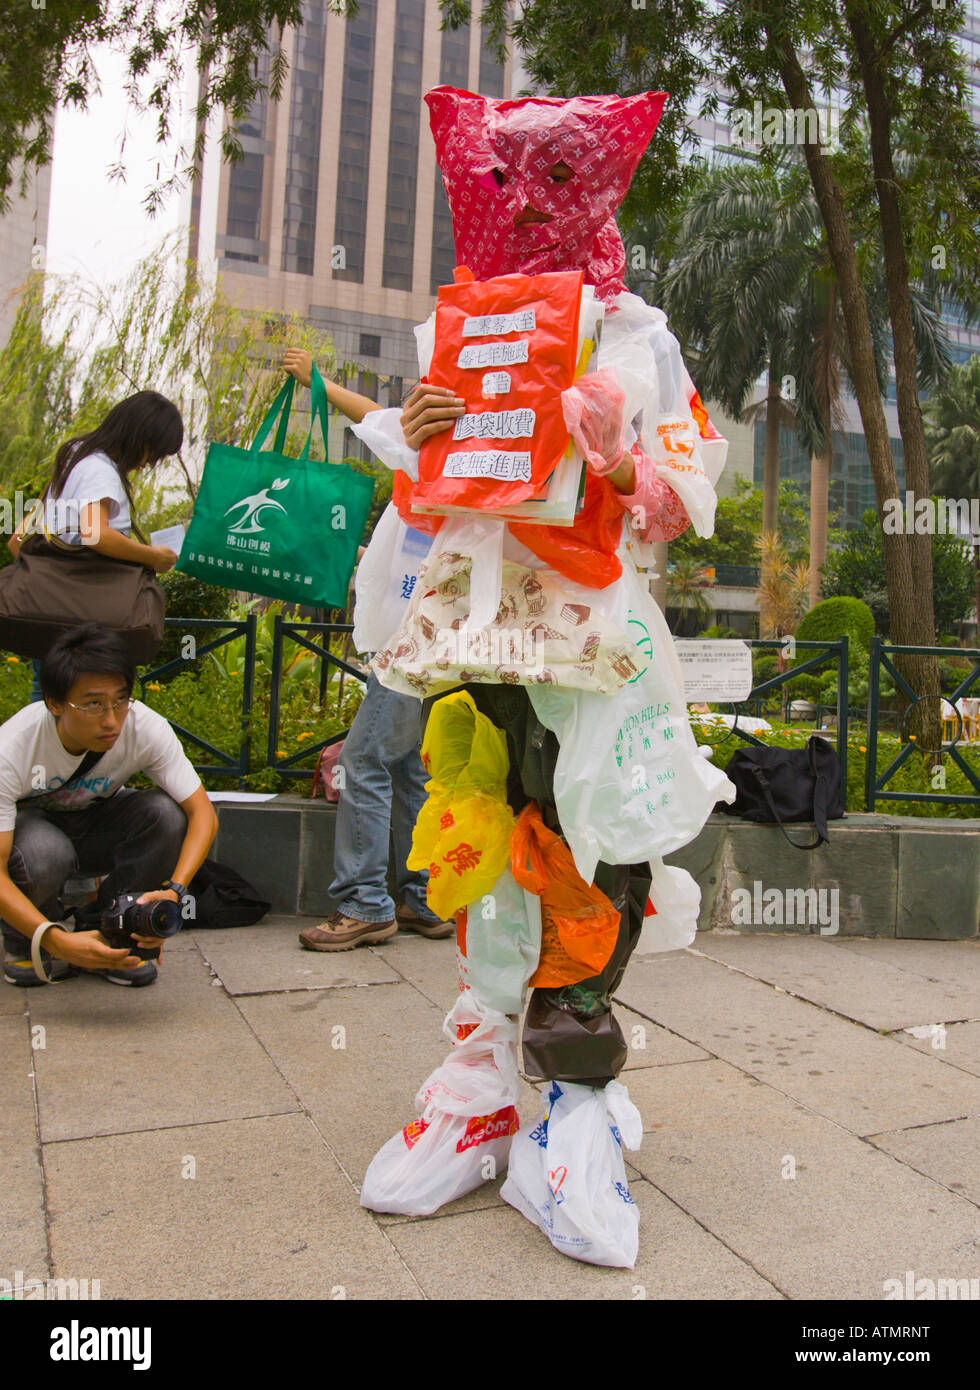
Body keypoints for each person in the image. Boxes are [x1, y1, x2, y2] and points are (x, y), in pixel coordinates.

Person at [353, 86, 736, 1264]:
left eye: (548, 175)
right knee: (481, 824)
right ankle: (481, 1072)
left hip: (594, 643)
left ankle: (571, 1085)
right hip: (473, 635)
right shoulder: (450, 325)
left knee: (594, 836)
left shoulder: (637, 334)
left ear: (591, 181)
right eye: (502, 175)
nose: (522, 197)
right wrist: (417, 436)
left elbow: (678, 498)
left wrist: (615, 450)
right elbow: (434, 493)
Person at [281, 349, 454, 949]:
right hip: (440, 638)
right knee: (410, 767)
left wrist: (317, 382)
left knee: (365, 760)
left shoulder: (429, 451)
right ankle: (423, 898)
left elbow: (373, 416)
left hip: (411, 639)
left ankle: (365, 903)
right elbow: (373, 414)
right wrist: (318, 382)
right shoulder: (480, 459)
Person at [0, 623, 218, 988]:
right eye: (93, 704)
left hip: (98, 825)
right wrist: (55, 940)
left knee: (165, 815)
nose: (111, 719)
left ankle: (113, 932)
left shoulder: (145, 728)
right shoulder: (13, 748)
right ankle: (30, 940)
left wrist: (174, 891)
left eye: (120, 700)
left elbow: (203, 815)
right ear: (53, 703)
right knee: (44, 851)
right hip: (32, 836)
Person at [8, 391, 184, 702]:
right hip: (88, 623)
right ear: (139, 437)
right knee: (87, 703)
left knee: (50, 699)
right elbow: (95, 534)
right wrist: (152, 557)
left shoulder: (75, 456)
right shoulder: (101, 471)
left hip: (51, 613)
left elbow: (18, 540)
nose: (148, 463)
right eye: (153, 452)